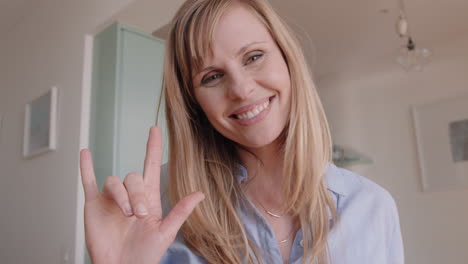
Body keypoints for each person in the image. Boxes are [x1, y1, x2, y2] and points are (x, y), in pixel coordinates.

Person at [79, 0, 404, 263]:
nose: (242, 89)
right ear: (194, 105)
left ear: (287, 58)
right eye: (211, 77)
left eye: (254, 57)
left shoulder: (373, 207)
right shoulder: (162, 208)